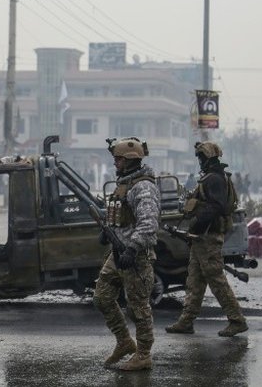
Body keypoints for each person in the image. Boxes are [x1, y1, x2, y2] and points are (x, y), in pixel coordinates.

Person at [165, 141, 248, 338]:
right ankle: (186, 321)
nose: (199, 161)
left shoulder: (215, 179)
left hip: (208, 237)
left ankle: (237, 320)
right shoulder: (212, 177)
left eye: (201, 157)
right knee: (195, 281)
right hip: (201, 238)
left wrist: (197, 226)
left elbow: (215, 207)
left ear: (208, 158)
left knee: (216, 280)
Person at [93, 137, 160, 371]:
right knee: (101, 298)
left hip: (135, 256)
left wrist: (132, 248)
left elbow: (149, 223)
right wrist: (108, 232)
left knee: (138, 308)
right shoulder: (125, 184)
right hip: (117, 254)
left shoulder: (143, 187)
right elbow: (121, 217)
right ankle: (124, 342)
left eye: (119, 159)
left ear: (131, 159)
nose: (115, 163)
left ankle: (143, 354)